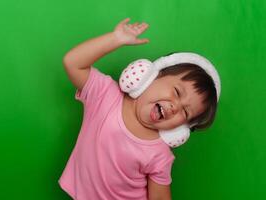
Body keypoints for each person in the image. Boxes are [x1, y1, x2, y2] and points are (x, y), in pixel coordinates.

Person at [58, 18, 220, 200]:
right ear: (151, 75)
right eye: (176, 91)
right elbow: (72, 62)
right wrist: (116, 38)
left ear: (180, 129)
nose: (175, 106)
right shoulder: (105, 95)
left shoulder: (159, 155)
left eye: (185, 112)